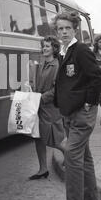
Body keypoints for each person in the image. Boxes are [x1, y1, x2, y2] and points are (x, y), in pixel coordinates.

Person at [53, 11, 101, 200]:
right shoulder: (63, 52)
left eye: (67, 28)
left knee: (72, 156)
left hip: (82, 113)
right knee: (84, 156)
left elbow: (97, 78)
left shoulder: (81, 50)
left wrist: (89, 102)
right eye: (60, 29)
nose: (63, 32)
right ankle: (90, 199)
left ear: (74, 30)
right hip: (69, 112)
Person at [29, 36, 65, 180]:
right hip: (39, 106)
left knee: (55, 140)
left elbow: (57, 90)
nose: (44, 48)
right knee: (38, 138)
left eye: (48, 46)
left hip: (50, 109)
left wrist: (40, 98)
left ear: (54, 49)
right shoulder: (42, 64)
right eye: (43, 46)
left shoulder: (56, 66)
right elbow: (36, 84)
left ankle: (71, 158)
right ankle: (43, 169)